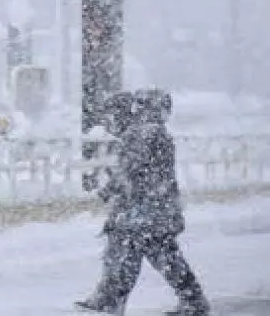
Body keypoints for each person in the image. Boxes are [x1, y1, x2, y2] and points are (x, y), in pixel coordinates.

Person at [77, 89, 210, 316]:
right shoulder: (152, 132)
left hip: (144, 208)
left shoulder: (142, 133)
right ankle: (192, 298)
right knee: (159, 254)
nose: (109, 123)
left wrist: (107, 191)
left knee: (129, 250)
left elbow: (130, 168)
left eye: (111, 116)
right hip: (156, 207)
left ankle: (111, 298)